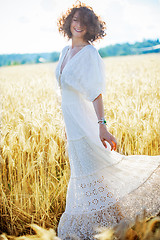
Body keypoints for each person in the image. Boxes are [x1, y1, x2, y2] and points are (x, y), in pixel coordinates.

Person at [55, 1, 160, 239]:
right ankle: (120, 229)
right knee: (96, 181)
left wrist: (102, 126)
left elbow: (95, 92)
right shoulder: (64, 52)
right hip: (73, 128)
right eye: (74, 19)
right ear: (68, 23)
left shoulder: (89, 53)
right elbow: (67, 94)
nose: (78, 24)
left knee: (98, 177)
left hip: (86, 126)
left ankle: (121, 228)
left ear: (90, 26)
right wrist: (65, 126)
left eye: (83, 21)